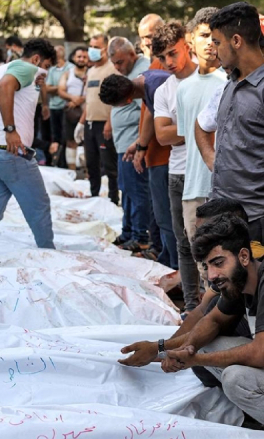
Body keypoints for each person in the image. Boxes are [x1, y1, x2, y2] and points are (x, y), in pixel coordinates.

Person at [118, 200, 254, 379]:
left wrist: (193, 358)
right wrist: (165, 350)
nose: (211, 276)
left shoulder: (244, 267)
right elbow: (209, 317)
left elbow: (260, 350)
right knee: (200, 341)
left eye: (204, 232)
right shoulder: (230, 267)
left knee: (234, 376)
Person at [163, 213, 264, 426]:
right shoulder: (240, 281)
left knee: (236, 379)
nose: (212, 276)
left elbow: (260, 353)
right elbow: (213, 321)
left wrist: (196, 360)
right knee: (205, 343)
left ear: (244, 256)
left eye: (218, 263)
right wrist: (187, 349)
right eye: (207, 266)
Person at [0, 38, 57, 264]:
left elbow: (14, 88)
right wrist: (10, 129)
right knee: (39, 207)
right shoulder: (26, 68)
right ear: (36, 59)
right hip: (10, 152)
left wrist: (43, 98)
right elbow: (5, 86)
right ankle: (52, 260)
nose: (45, 73)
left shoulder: (3, 68)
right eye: (46, 66)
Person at [99, 68, 178, 269]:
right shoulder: (145, 81)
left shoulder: (157, 85)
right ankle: (166, 257)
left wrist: (144, 144)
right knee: (161, 214)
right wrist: (140, 145)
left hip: (169, 158)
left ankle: (175, 266)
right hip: (159, 156)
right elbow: (151, 115)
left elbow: (164, 130)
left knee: (165, 215)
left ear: (126, 102)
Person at [207, 2, 264, 245]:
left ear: (237, 41)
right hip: (222, 214)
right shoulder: (230, 84)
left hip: (255, 221)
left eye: (217, 42)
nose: (213, 50)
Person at [153, 22, 199, 315]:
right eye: (162, 57)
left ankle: (215, 305)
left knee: (211, 242)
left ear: (187, 44)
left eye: (173, 53)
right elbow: (161, 135)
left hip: (208, 171)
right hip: (178, 172)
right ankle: (192, 305)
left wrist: (179, 129)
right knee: (183, 242)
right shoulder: (164, 90)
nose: (169, 62)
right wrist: (200, 125)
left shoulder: (212, 78)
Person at [176, 8, 226, 264]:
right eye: (204, 35)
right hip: (193, 187)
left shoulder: (230, 82)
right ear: (191, 39)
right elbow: (187, 138)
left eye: (215, 37)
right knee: (202, 265)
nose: (210, 43)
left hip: (224, 188)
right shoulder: (183, 88)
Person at [103, 36, 150, 252]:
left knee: (137, 192)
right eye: (114, 63)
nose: (117, 67)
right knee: (127, 191)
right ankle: (129, 231)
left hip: (134, 146)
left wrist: (140, 145)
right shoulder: (128, 72)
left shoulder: (142, 73)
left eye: (120, 62)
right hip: (124, 145)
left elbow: (148, 112)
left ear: (132, 54)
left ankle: (140, 236)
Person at [74, 33, 119, 204]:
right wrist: (81, 123)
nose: (92, 50)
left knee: (109, 165)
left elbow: (116, 99)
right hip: (90, 123)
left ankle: (113, 199)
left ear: (105, 48)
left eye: (96, 47)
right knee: (91, 163)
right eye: (90, 46)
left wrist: (109, 122)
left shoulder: (112, 69)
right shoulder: (91, 71)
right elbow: (89, 100)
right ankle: (94, 196)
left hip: (104, 124)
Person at [58, 46, 88, 170]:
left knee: (88, 143)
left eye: (84, 57)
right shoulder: (67, 73)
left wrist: (81, 99)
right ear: (74, 58)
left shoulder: (92, 73)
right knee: (70, 142)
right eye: (79, 56)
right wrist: (73, 98)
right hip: (71, 113)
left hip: (87, 113)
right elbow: (61, 90)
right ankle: (72, 172)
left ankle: (87, 173)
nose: (81, 59)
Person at [45, 45, 72, 164]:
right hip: (53, 106)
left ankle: (65, 162)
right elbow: (47, 88)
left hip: (66, 107)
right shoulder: (52, 69)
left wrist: (56, 89)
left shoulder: (70, 68)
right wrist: (61, 88)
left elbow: (70, 87)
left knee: (65, 136)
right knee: (55, 136)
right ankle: (57, 161)